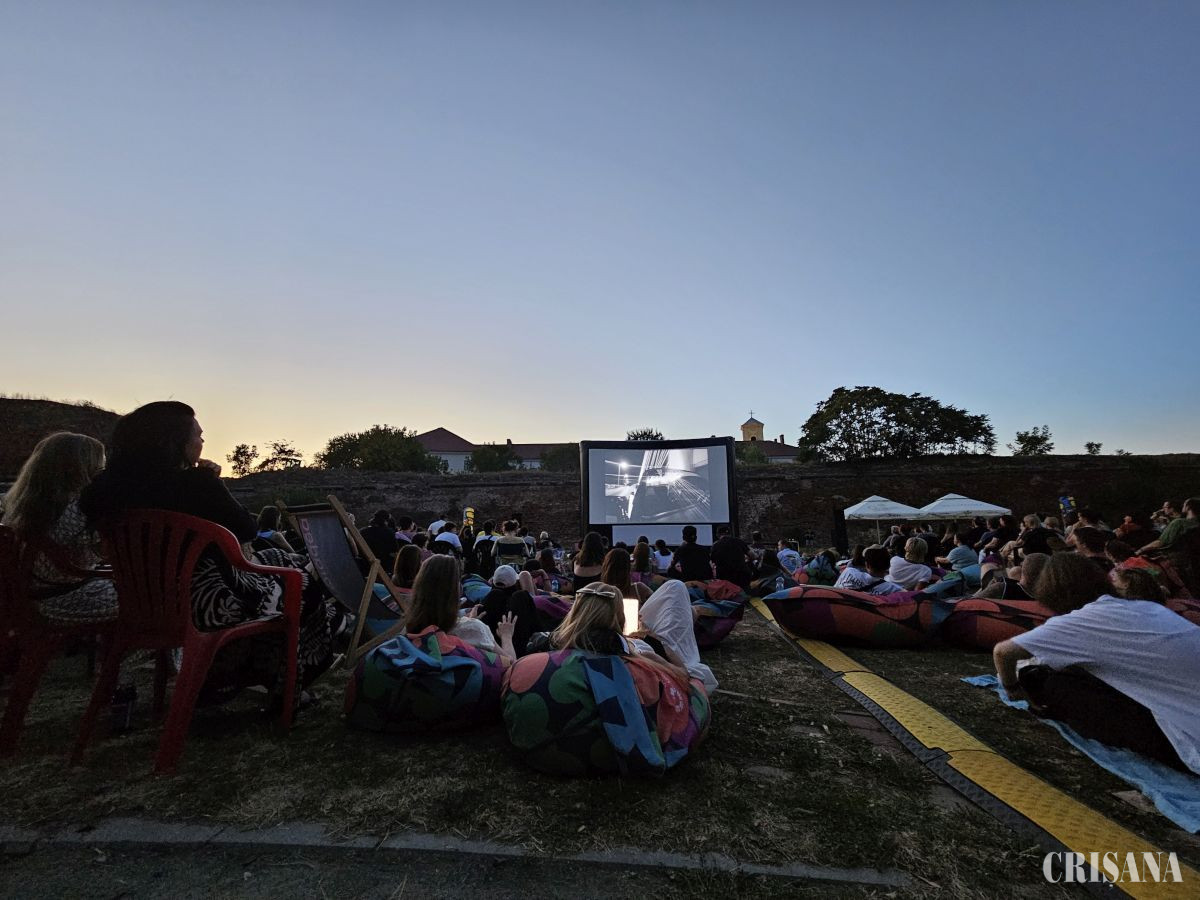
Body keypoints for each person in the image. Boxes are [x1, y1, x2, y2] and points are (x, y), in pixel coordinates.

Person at [80, 401, 339, 706]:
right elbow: (247, 529)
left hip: (139, 603)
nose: (202, 441)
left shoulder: (103, 490)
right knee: (300, 580)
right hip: (205, 604)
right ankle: (285, 682)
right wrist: (213, 483)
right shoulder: (196, 484)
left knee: (282, 563)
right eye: (198, 436)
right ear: (175, 442)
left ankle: (225, 677)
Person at [994, 566, 1200, 773]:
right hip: (1187, 709)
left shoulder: (1086, 618)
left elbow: (1003, 652)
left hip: (1190, 742)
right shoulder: (1152, 609)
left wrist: (1012, 688)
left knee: (1052, 683)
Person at [1, 432, 117, 625]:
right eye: (100, 467)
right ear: (82, 469)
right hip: (64, 599)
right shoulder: (77, 509)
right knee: (145, 605)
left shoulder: (20, 505)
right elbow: (101, 555)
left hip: (28, 596)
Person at [532, 581, 717, 693]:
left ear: (576, 613)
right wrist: (654, 638)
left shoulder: (550, 643)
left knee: (674, 590)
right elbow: (683, 675)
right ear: (620, 618)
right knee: (675, 588)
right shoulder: (639, 657)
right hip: (645, 646)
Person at [405, 555, 517, 661]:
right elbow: (511, 664)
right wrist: (506, 636)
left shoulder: (406, 630)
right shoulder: (474, 628)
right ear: (455, 590)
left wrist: (469, 621)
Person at [1138, 498, 1200, 596]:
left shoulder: (1179, 523)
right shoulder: (1195, 524)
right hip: (1189, 562)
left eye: (1184, 504)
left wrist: (1140, 550)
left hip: (1172, 561)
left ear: (1188, 507)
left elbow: (1160, 542)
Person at [478, 564, 541, 656]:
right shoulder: (522, 599)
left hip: (490, 651)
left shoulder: (488, 600)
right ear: (516, 582)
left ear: (493, 582)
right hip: (522, 652)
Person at [974, 553, 1050, 601]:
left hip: (985, 602)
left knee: (986, 566)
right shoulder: (1048, 598)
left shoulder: (1002, 588)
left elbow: (973, 602)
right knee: (1014, 570)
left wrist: (989, 587)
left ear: (1024, 570)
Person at [834, 547, 907, 596]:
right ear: (888, 566)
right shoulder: (893, 589)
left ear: (867, 565)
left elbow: (834, 590)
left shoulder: (849, 571)